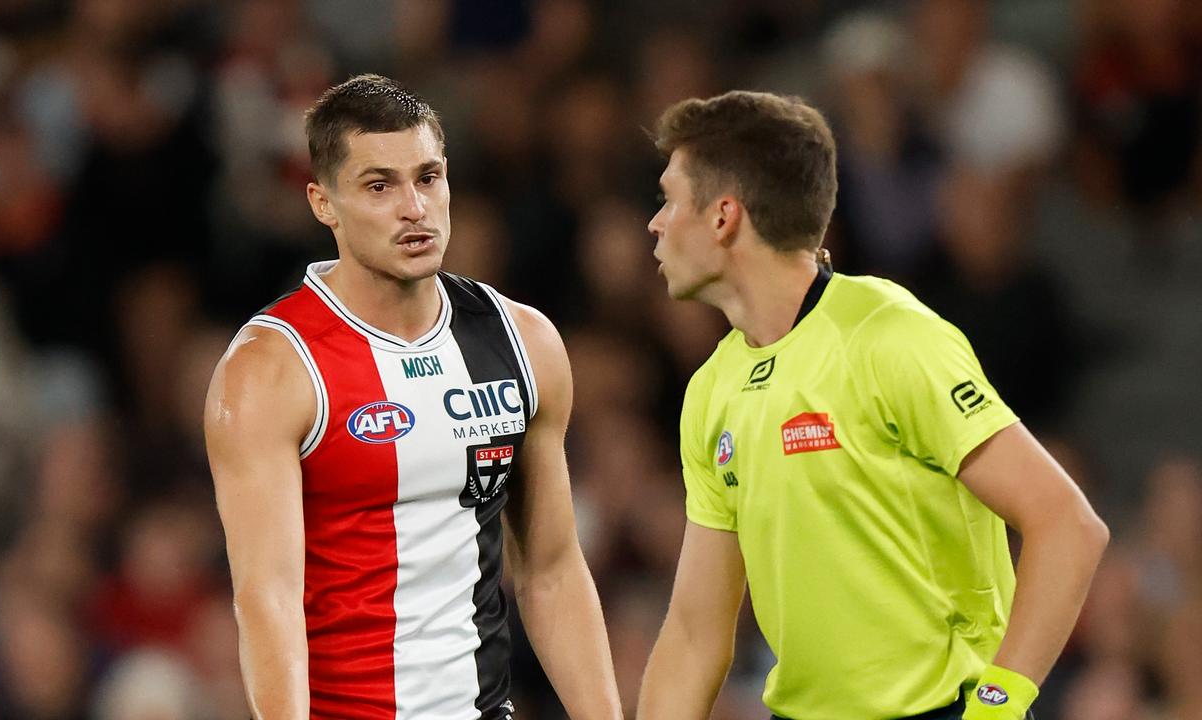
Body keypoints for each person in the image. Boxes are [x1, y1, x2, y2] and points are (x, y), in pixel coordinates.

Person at [635, 91, 1109, 720]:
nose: (655, 223)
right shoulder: (712, 390)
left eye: (669, 199)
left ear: (724, 216)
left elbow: (1068, 526)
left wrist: (999, 705)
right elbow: (695, 633)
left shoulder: (890, 339)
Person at [204, 74, 621, 720]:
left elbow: (552, 571)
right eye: (380, 186)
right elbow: (268, 601)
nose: (415, 208)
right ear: (323, 203)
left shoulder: (523, 343)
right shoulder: (272, 370)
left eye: (428, 178)